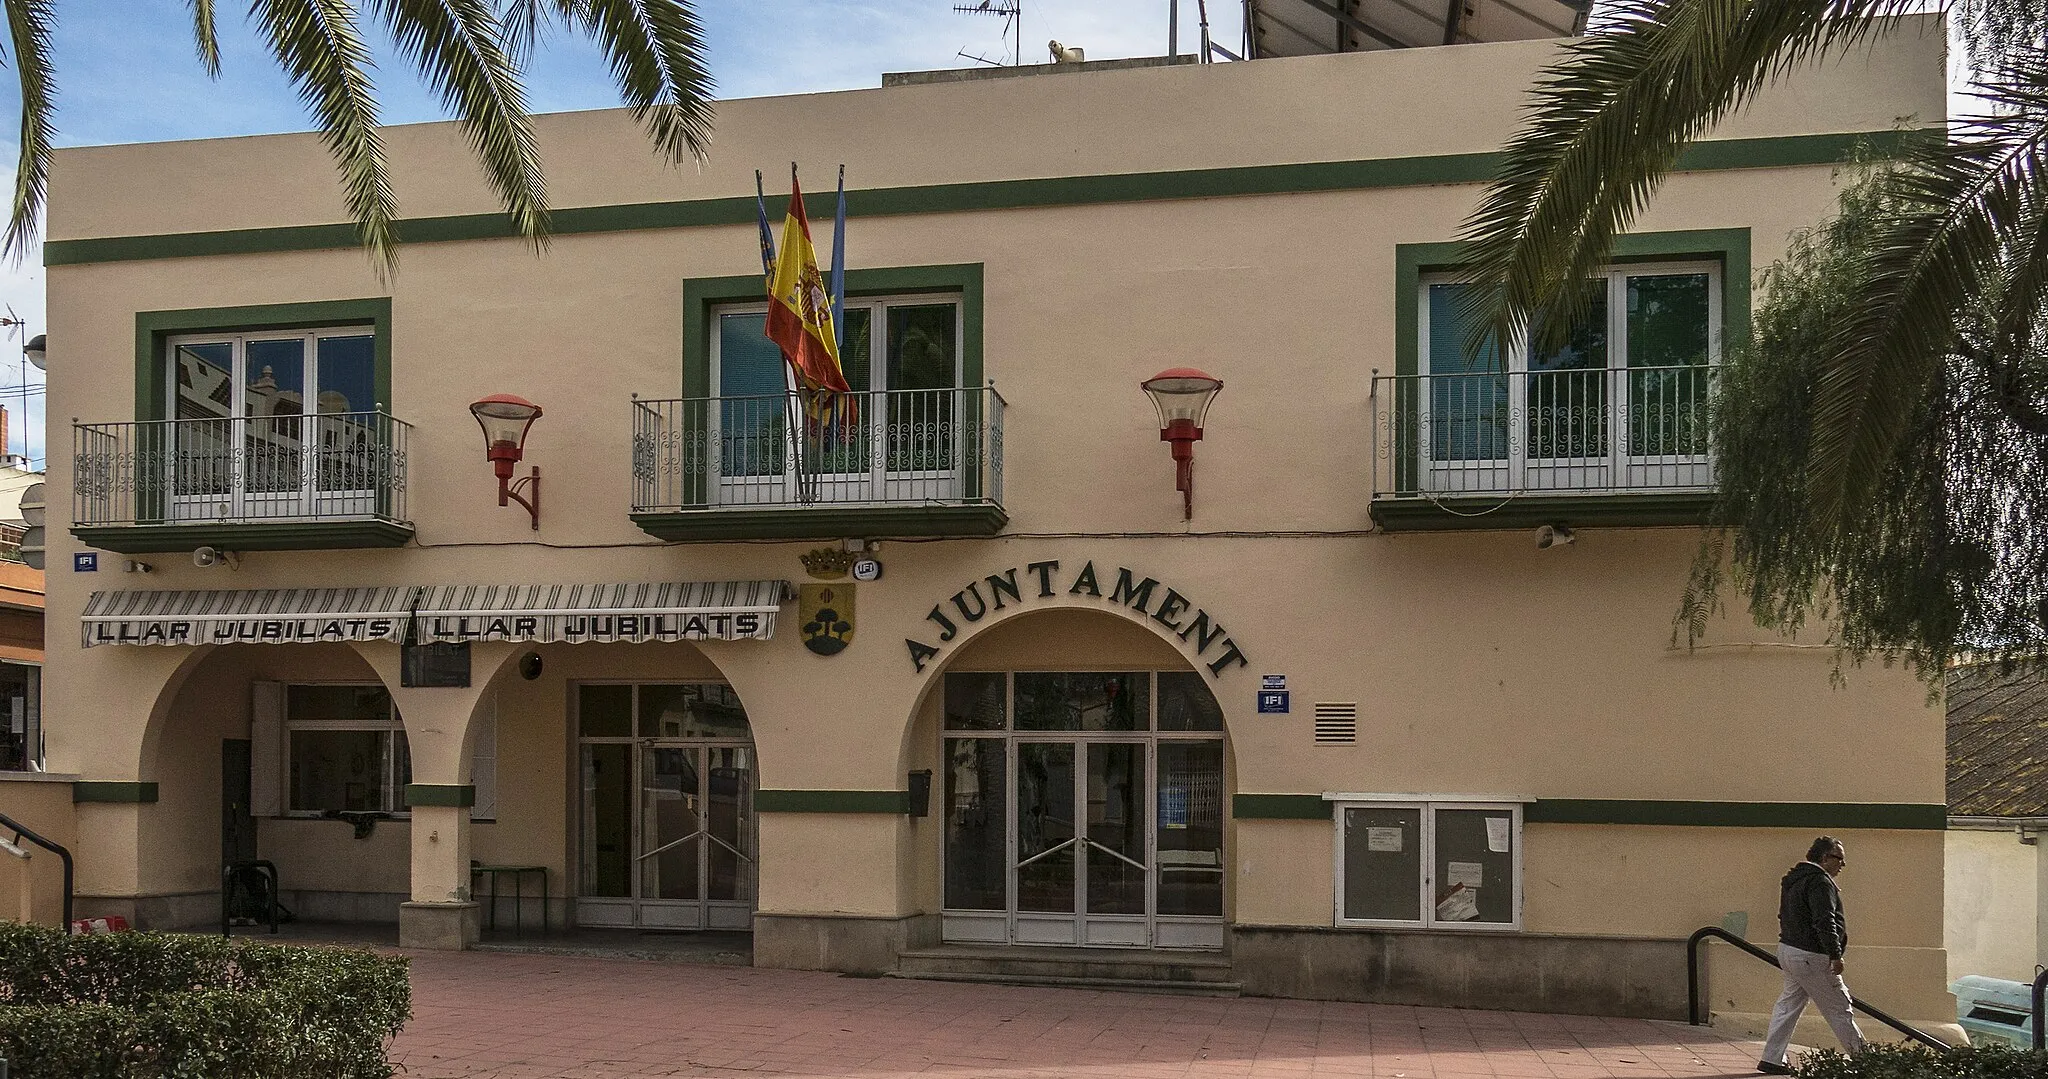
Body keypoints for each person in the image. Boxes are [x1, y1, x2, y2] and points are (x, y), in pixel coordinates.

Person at [1758, 837, 1865, 1074]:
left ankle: (1772, 1058)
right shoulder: (1819, 882)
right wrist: (1835, 954)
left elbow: (1784, 915)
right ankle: (1865, 1061)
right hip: (1812, 956)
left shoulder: (1794, 879)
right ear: (1825, 858)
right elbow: (1824, 920)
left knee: (1788, 1004)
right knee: (1839, 1007)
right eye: (1839, 859)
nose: (1842, 865)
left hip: (1788, 950)